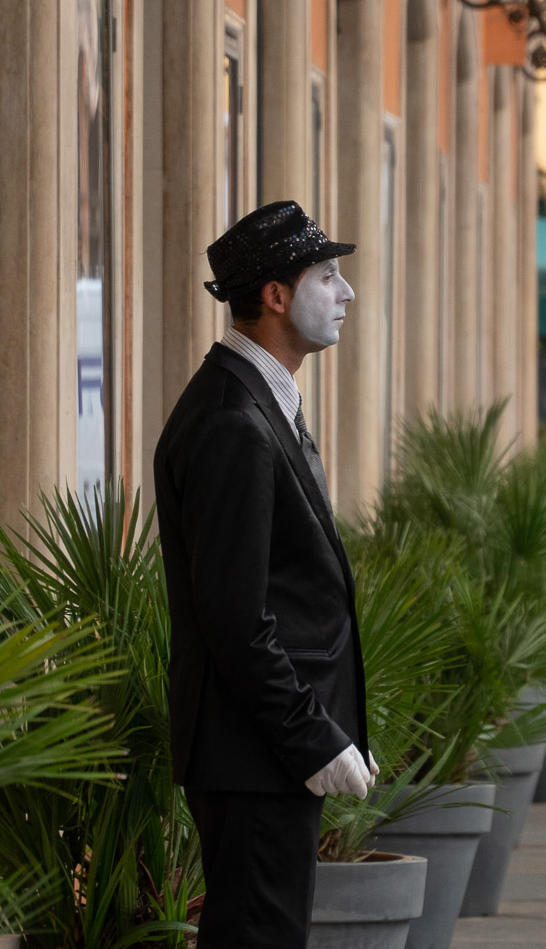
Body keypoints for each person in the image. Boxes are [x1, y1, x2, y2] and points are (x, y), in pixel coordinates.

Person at [154, 201, 374, 947]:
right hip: (254, 753)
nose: (345, 293)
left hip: (262, 752)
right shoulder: (232, 421)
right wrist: (314, 739)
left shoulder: (257, 404)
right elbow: (236, 621)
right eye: (327, 275)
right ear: (276, 296)